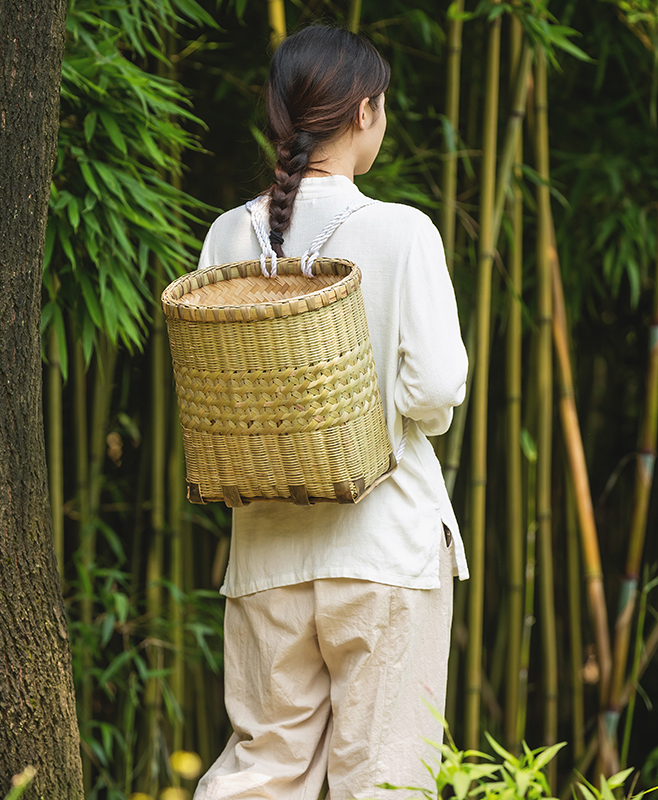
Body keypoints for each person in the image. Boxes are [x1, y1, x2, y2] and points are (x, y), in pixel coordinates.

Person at [193, 24, 469, 800]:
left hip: (265, 555)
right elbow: (435, 392)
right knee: (382, 778)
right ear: (365, 112)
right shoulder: (401, 231)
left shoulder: (227, 235)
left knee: (262, 771)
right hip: (385, 549)